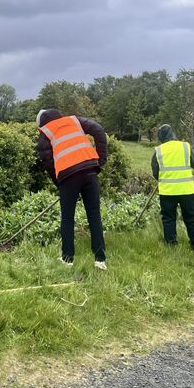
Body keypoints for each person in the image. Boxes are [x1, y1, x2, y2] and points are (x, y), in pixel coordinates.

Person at [37, 109, 109, 270]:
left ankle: (67, 258)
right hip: (90, 169)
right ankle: (100, 260)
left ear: (42, 123)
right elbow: (98, 129)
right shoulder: (74, 121)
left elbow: (48, 164)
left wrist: (60, 183)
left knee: (67, 218)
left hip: (68, 176)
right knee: (94, 215)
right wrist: (101, 159)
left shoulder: (46, 133)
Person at [151, 124, 194, 251]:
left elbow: (155, 173)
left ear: (161, 137)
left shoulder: (158, 150)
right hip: (187, 190)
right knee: (191, 218)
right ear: (173, 134)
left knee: (168, 219)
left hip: (167, 191)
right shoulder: (185, 146)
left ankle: (171, 244)